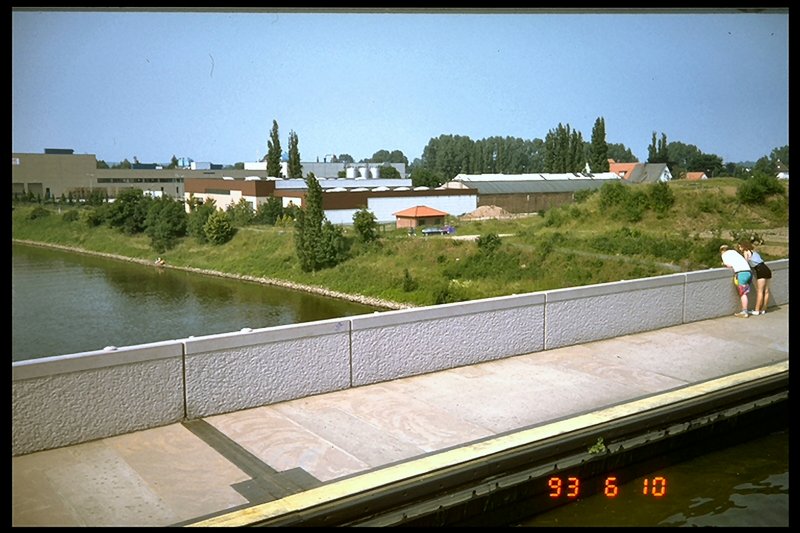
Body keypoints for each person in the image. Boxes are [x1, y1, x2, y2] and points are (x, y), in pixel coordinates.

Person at [737, 241, 771, 315]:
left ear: (744, 247)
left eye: (740, 247)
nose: (739, 248)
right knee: (766, 291)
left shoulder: (746, 252)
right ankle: (763, 309)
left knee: (760, 291)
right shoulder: (754, 252)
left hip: (759, 270)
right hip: (766, 269)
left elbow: (745, 262)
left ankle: (756, 310)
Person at [720, 244, 752, 318]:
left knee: (743, 294)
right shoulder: (735, 252)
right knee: (745, 292)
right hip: (748, 272)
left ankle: (745, 311)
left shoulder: (724, 254)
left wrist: (723, 264)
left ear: (722, 251)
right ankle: (745, 310)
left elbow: (728, 265)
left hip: (741, 273)